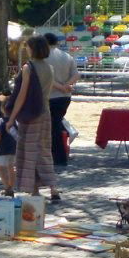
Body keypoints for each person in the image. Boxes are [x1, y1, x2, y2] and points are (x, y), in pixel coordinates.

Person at [5, 34, 61, 201]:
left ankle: (35, 189)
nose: (26, 49)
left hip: (31, 114)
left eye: (28, 46)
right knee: (43, 150)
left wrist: (11, 117)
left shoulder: (28, 68)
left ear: (33, 48)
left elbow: (22, 95)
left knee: (29, 151)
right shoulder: (49, 68)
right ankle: (51, 188)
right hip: (45, 112)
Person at [44, 32, 79, 167]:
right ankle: (59, 156)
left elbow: (46, 78)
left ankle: (56, 157)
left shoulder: (44, 58)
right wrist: (67, 86)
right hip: (64, 97)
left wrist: (60, 87)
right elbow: (76, 74)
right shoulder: (67, 56)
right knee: (56, 124)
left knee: (52, 127)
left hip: (50, 96)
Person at [0, 94, 17, 196]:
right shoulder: (16, 121)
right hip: (15, 149)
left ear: (2, 108)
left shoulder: (1, 121)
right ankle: (11, 186)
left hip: (4, 149)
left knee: (0, 167)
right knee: (11, 167)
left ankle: (7, 187)